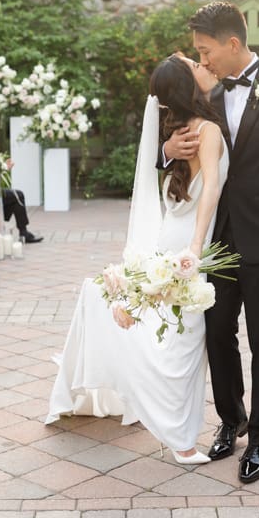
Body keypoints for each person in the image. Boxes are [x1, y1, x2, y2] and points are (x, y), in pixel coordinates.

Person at [163, 1, 259, 482]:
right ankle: (232, 420)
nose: (202, 61)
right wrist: (167, 150)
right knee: (215, 334)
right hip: (214, 238)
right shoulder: (203, 93)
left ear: (233, 44)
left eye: (206, 51)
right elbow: (164, 135)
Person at [47, 53, 225, 464]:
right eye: (192, 63)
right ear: (188, 84)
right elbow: (211, 189)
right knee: (183, 341)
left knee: (174, 333)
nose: (202, 64)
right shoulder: (206, 130)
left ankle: (175, 429)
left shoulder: (183, 130)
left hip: (173, 233)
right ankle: (180, 439)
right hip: (188, 240)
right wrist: (196, 247)